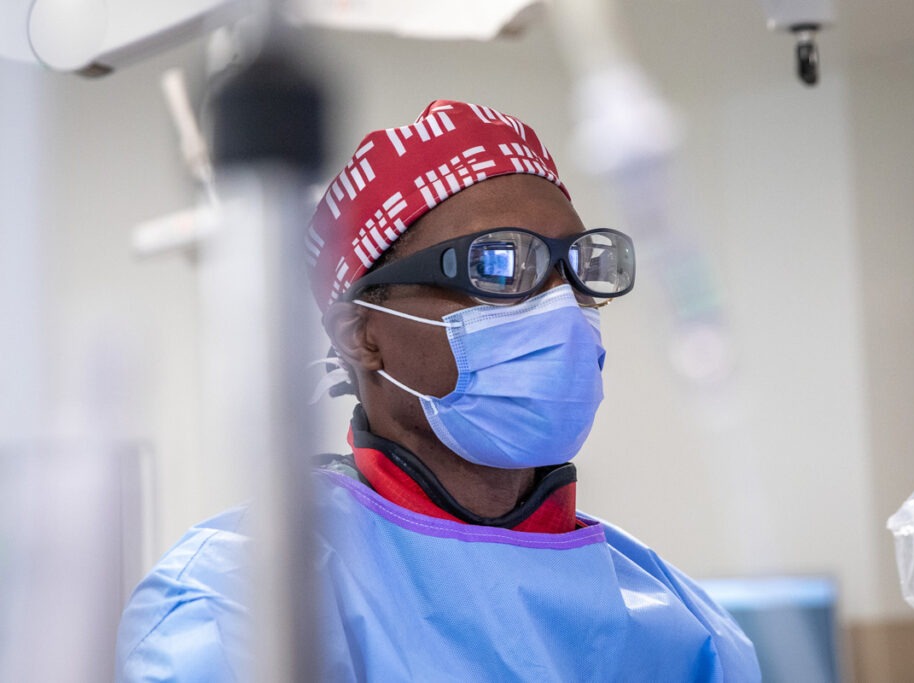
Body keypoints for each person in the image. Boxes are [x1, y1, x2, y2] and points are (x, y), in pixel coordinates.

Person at [116, 100, 761, 681]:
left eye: (580, 268)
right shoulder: (242, 601)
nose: (561, 309)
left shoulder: (681, 623)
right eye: (498, 264)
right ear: (362, 334)